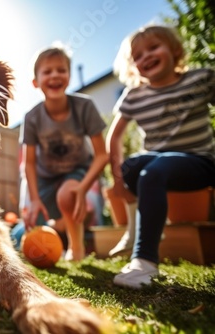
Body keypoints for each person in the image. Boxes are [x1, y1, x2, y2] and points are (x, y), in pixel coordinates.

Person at [107, 25, 215, 289]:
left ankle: (144, 262)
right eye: (138, 55)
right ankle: (145, 226)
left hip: (200, 161)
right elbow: (115, 136)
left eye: (154, 48)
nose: (146, 57)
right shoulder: (134, 96)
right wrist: (119, 180)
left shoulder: (201, 79)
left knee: (152, 170)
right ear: (133, 67)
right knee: (134, 167)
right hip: (157, 162)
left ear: (175, 50)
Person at [11, 45, 109, 261]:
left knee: (68, 195)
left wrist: (82, 189)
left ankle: (76, 248)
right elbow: (28, 163)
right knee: (33, 220)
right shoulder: (32, 117)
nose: (55, 75)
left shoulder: (84, 106)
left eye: (61, 70)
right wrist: (34, 199)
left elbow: (102, 155)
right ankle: (62, 226)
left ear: (69, 75)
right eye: (47, 71)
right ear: (35, 82)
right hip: (45, 174)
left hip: (76, 169)